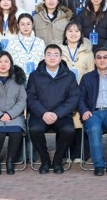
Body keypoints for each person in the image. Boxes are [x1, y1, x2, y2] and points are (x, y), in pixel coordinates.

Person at [25, 44, 80, 173]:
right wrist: (43, 113)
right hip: (40, 114)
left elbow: (73, 98)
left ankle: (57, 161)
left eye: (56, 55)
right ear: (44, 57)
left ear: (61, 58)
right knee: (34, 129)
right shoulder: (35, 75)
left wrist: (57, 114)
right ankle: (45, 161)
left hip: (61, 115)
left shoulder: (69, 76)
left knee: (68, 130)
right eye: (49, 54)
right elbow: (31, 97)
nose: (52, 57)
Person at [78, 48, 107, 176]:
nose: (102, 60)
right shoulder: (87, 78)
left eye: (105, 57)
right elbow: (80, 98)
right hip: (94, 112)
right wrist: (84, 111)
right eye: (99, 57)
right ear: (94, 60)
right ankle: (98, 165)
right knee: (94, 129)